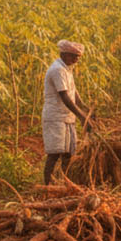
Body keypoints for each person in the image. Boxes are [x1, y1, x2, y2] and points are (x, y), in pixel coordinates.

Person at [41, 40, 93, 185]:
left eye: (78, 57)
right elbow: (64, 96)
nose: (76, 60)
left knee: (68, 154)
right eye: (73, 56)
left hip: (67, 117)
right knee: (54, 154)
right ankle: (48, 187)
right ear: (63, 54)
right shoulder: (57, 70)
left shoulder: (67, 69)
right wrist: (82, 116)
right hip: (56, 117)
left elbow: (73, 93)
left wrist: (85, 108)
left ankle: (65, 184)